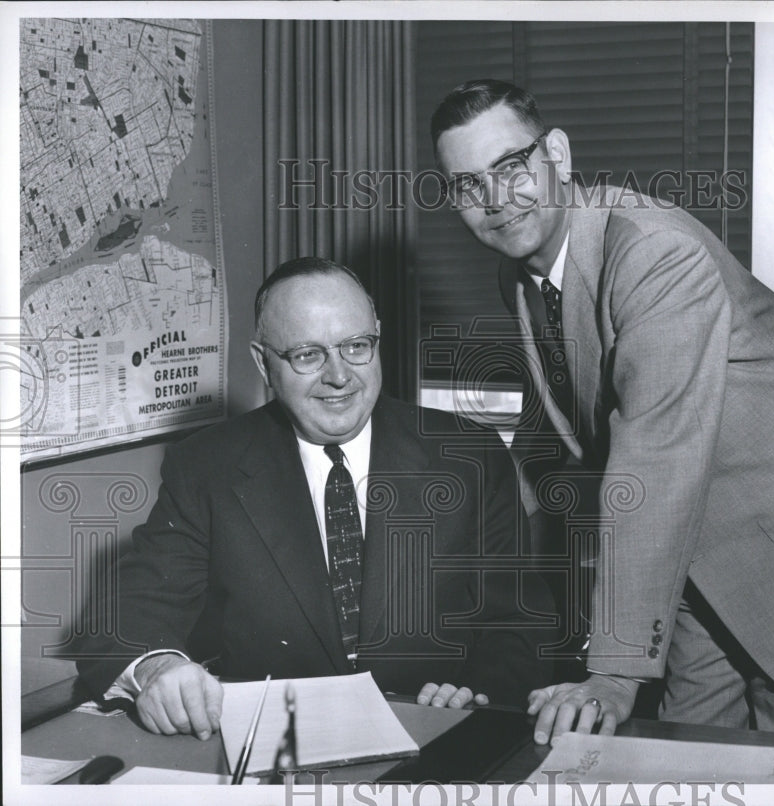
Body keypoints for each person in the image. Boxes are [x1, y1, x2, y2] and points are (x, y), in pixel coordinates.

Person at [431, 79, 774, 745]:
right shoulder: (519, 274)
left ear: (557, 153)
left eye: (511, 167)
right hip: (706, 548)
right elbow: (555, 424)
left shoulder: (651, 250)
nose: (495, 201)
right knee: (684, 753)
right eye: (468, 186)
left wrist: (612, 674)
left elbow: (656, 455)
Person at [75, 257, 555, 740]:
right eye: (308, 355)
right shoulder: (207, 466)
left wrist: (475, 695)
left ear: (378, 339)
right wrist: (157, 669)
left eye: (356, 346)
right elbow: (128, 615)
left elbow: (516, 621)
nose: (339, 376)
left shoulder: (468, 456)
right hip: (276, 755)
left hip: (433, 740)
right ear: (263, 362)